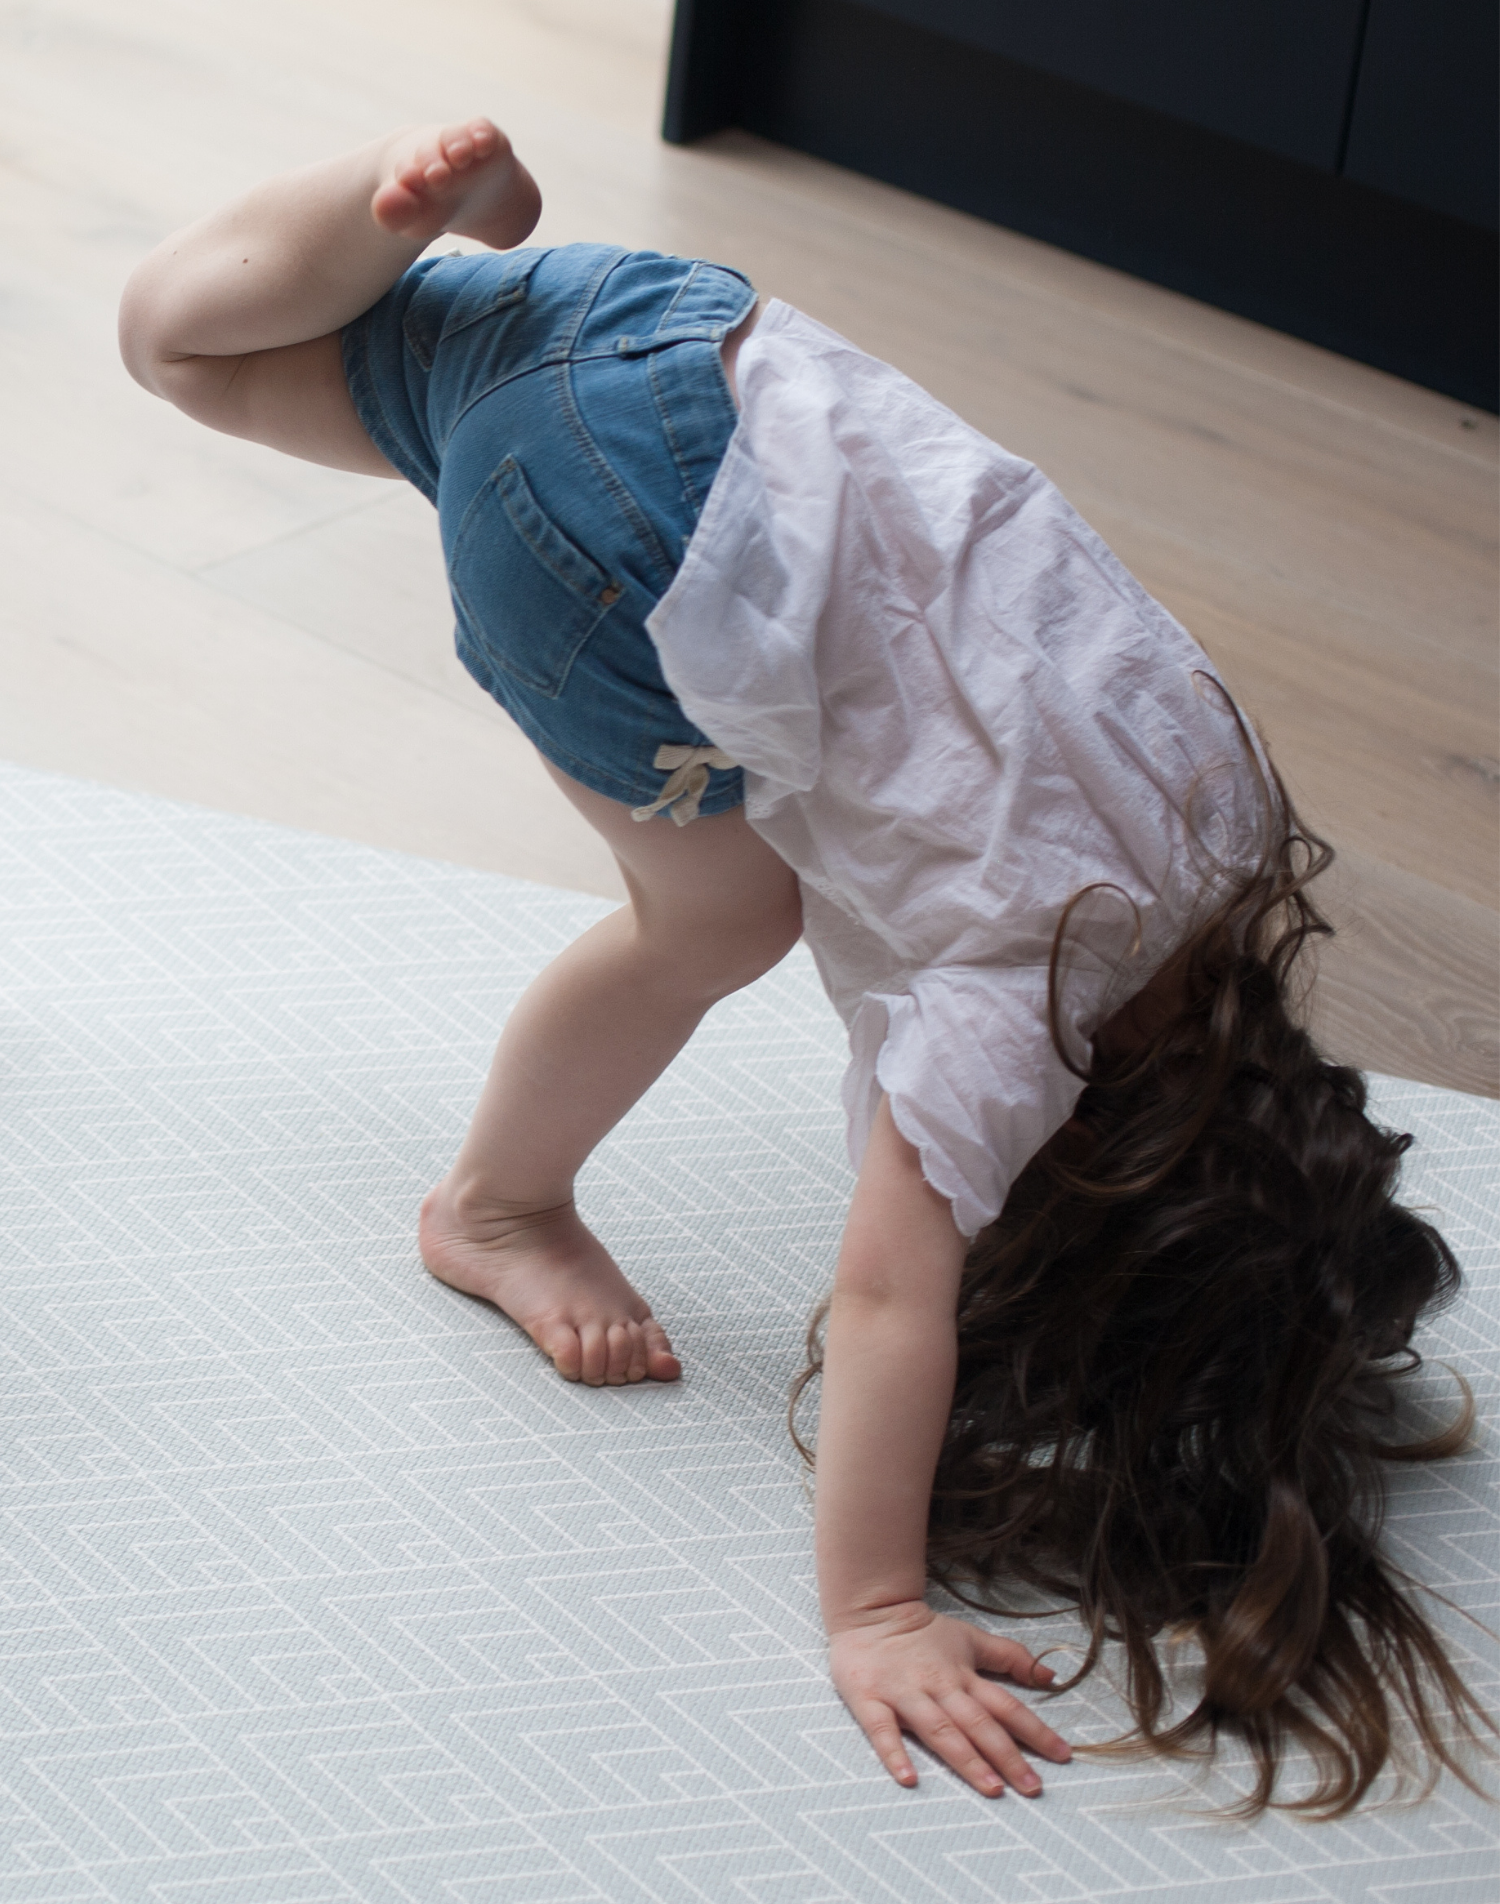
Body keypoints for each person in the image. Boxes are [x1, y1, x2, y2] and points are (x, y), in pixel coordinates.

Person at [119, 118, 1487, 1816]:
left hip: (695, 349)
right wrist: (878, 1607)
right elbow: (888, 1298)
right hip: (624, 549)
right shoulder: (1024, 1011)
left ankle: (398, 213)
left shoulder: (1223, 802)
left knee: (189, 354)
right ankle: (496, 1208)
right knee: (719, 920)